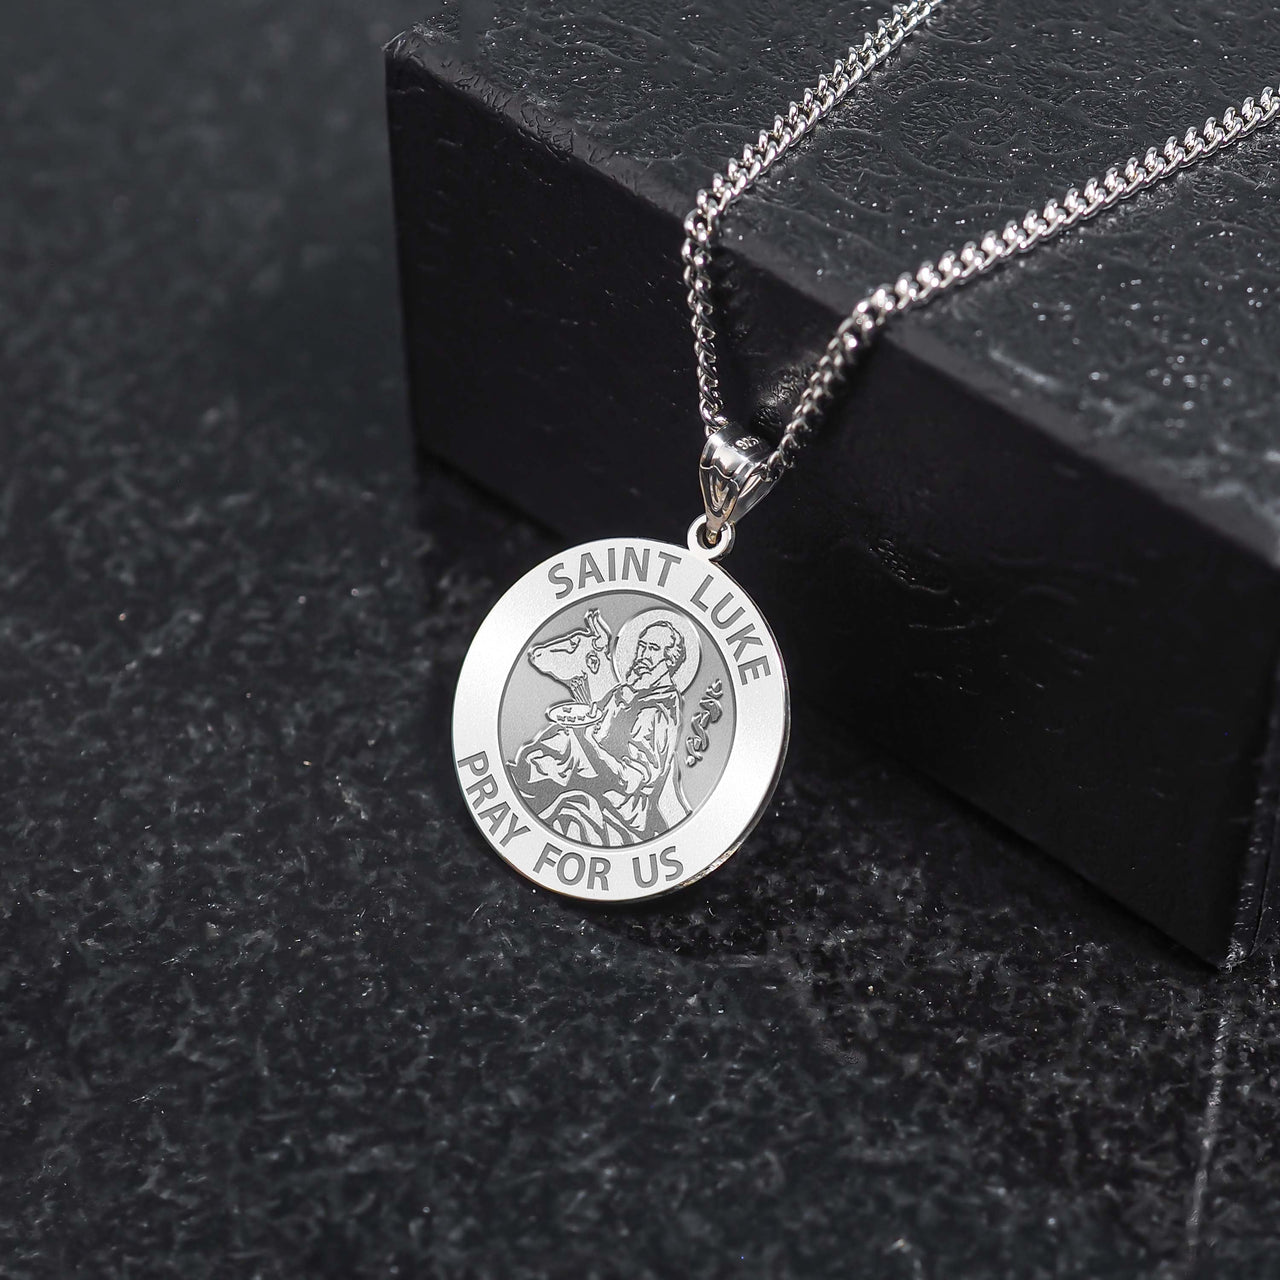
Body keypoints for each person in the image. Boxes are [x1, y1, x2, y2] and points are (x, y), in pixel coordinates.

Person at [510, 621, 692, 847]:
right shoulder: (627, 689)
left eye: (653, 649)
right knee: (559, 738)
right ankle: (522, 782)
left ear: (669, 660)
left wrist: (587, 741)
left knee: (558, 755)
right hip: (593, 769)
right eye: (642, 646)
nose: (643, 655)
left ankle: (525, 787)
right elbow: (595, 718)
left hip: (622, 801)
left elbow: (630, 780)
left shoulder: (657, 712)